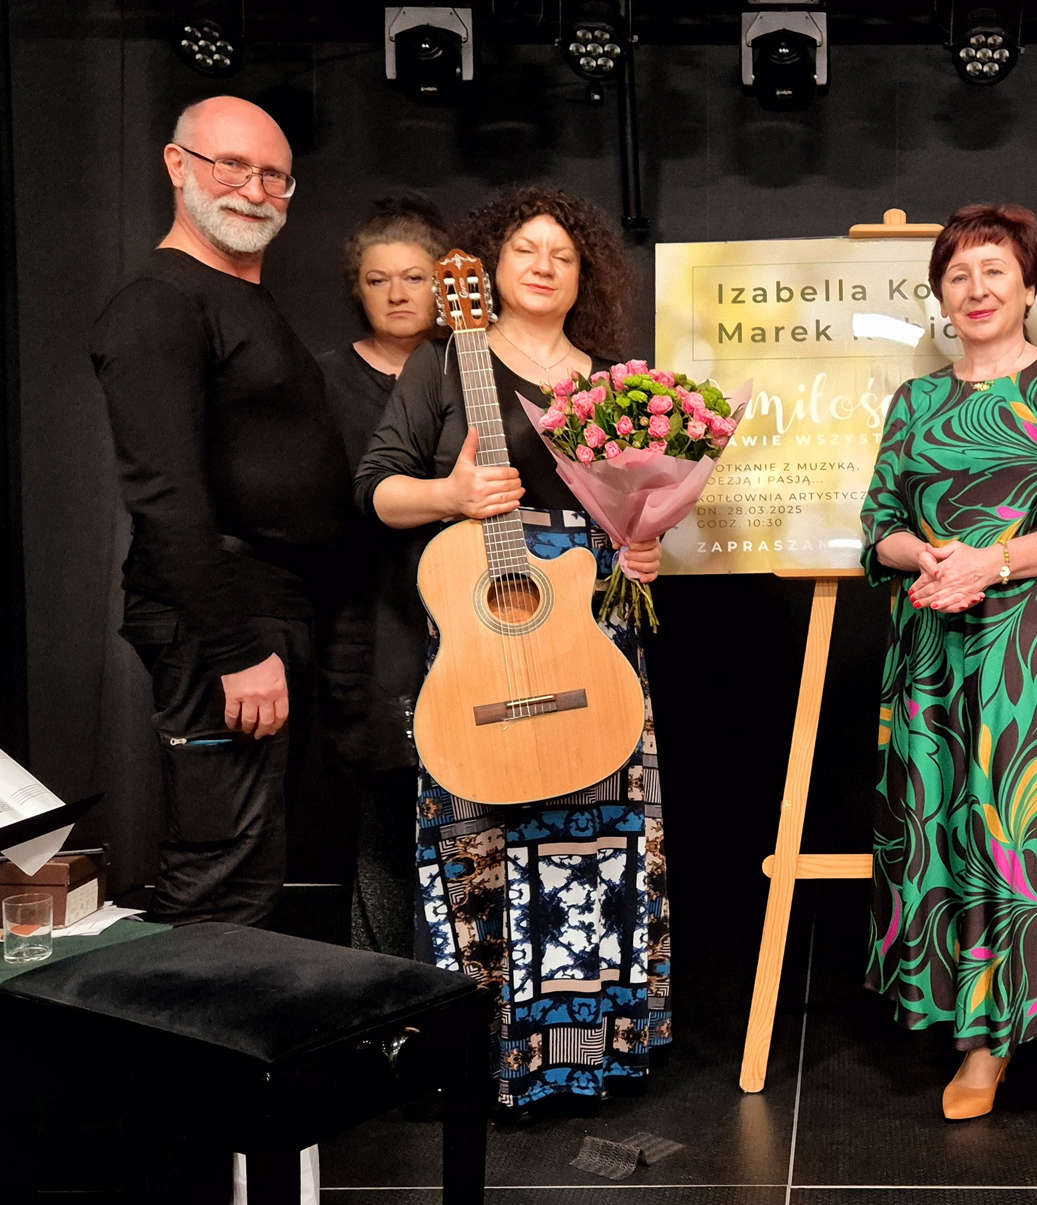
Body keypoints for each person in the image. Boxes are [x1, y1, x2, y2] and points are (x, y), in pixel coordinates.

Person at [353, 186, 670, 1113]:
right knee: (482, 847)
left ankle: (594, 1052)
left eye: (563, 255)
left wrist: (644, 545)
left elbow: (641, 503)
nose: (543, 265)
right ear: (489, 265)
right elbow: (375, 488)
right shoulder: (444, 362)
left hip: (588, 632)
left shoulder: (617, 381)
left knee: (600, 848)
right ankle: (481, 1058)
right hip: (482, 635)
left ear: (585, 276)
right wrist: (448, 496)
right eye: (526, 249)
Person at [860, 203, 1037, 1153]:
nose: (975, 289)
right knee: (950, 831)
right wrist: (926, 556)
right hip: (928, 641)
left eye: (994, 270)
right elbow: (877, 522)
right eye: (957, 275)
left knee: (1032, 835)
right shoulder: (914, 400)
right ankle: (980, 1042)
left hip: (1023, 644)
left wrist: (991, 561)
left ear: (1028, 284)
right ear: (939, 294)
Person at [91, 96, 350, 927]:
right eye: (231, 165)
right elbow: (164, 493)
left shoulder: (241, 298)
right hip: (224, 623)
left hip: (271, 612)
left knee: (252, 859)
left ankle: (228, 1012)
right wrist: (236, 649)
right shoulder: (159, 302)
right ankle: (180, 1016)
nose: (254, 189)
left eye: (274, 175)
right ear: (178, 166)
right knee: (221, 870)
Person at [316, 192, 451, 958]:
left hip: (474, 621)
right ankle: (385, 992)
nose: (396, 293)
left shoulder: (473, 368)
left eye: (413, 276)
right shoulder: (324, 382)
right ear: (357, 288)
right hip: (371, 623)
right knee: (387, 817)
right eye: (377, 279)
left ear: (446, 283)